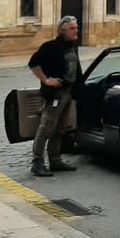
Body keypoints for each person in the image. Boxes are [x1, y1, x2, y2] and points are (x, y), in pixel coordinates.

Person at [26, 16, 82, 177]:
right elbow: (33, 63)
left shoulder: (73, 47)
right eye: (72, 28)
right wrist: (47, 80)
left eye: (76, 28)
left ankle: (55, 160)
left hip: (68, 93)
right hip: (54, 95)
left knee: (60, 128)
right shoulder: (50, 47)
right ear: (62, 30)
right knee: (46, 128)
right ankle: (37, 163)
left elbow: (76, 68)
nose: (76, 31)